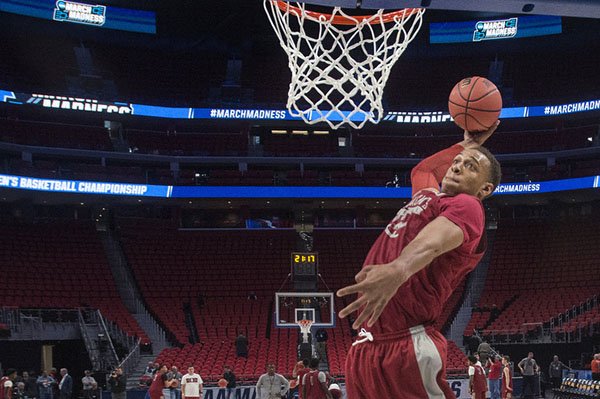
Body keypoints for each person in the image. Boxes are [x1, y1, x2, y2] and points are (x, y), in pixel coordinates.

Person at [337, 123, 502, 398]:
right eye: (456, 162)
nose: (457, 166)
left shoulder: (468, 206)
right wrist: (467, 145)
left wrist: (398, 268)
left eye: (470, 166)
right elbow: (423, 170)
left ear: (485, 188)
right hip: (367, 345)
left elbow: (432, 244)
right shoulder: (429, 197)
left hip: (407, 343)